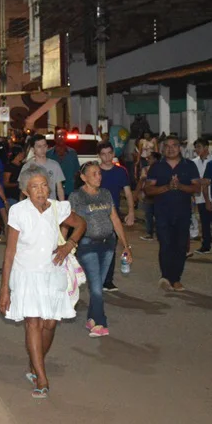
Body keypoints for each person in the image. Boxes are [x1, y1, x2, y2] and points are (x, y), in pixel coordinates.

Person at [0, 164, 86, 398]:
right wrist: (4, 289)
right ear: (26, 191)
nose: (41, 190)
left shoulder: (59, 208)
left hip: (52, 274)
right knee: (33, 323)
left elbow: (80, 224)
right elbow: (9, 252)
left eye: (44, 185)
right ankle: (41, 376)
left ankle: (34, 363)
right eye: (34, 187)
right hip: (25, 275)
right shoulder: (18, 211)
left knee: (49, 324)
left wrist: (69, 245)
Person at [70, 162, 133, 338]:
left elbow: (114, 219)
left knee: (98, 284)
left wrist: (125, 245)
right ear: (83, 177)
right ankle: (100, 323)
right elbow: (69, 221)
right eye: (94, 174)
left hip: (108, 245)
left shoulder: (105, 194)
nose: (99, 177)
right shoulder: (76, 196)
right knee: (97, 287)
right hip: (87, 245)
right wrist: (65, 244)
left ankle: (91, 318)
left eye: (99, 173)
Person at [145, 135, 201, 291]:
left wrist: (181, 187)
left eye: (174, 145)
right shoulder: (157, 166)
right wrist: (167, 188)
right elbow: (148, 189)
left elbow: (197, 188)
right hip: (162, 212)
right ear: (163, 148)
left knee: (181, 246)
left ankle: (176, 278)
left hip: (183, 212)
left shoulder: (189, 165)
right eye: (167, 146)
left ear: (179, 147)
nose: (171, 149)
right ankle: (166, 276)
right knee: (165, 244)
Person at [98, 142, 134, 291]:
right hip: (96, 214)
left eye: (109, 153)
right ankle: (97, 278)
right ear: (99, 156)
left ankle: (108, 280)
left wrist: (131, 211)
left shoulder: (121, 172)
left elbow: (127, 192)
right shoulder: (95, 172)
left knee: (111, 247)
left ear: (113, 154)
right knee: (96, 247)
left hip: (113, 214)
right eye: (103, 154)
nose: (107, 157)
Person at [21, 134, 65, 200]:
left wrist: (62, 205)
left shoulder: (55, 165)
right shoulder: (27, 167)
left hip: (51, 204)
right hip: (34, 206)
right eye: (39, 146)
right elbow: (23, 190)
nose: (42, 149)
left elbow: (59, 188)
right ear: (33, 149)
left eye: (44, 146)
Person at [191, 139, 212, 255]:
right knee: (204, 221)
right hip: (200, 196)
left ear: (206, 147)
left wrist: (203, 181)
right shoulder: (193, 162)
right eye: (196, 147)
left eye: (199, 147)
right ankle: (205, 245)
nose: (197, 149)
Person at [46, 130, 79, 198]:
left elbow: (76, 172)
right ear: (54, 139)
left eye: (64, 136)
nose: (61, 138)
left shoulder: (72, 153)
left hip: (69, 190)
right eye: (59, 136)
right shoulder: (48, 154)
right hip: (52, 191)